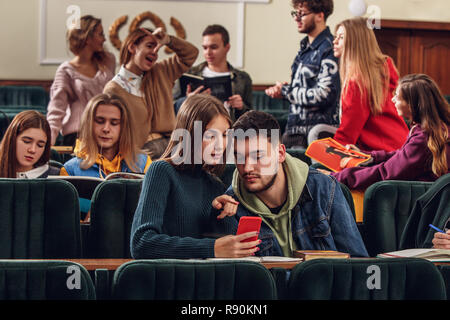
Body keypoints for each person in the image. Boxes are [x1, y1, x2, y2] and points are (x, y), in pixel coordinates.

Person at [213, 110, 368, 257]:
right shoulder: (230, 207)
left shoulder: (324, 188)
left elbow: (357, 263)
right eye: (239, 157)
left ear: (280, 154)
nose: (247, 168)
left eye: (258, 156)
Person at [130, 94, 260, 259]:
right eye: (210, 136)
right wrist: (211, 248)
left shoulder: (216, 184)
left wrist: (220, 215)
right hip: (169, 279)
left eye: (225, 135)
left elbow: (227, 251)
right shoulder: (161, 171)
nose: (220, 144)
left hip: (204, 280)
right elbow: (141, 243)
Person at [330, 74, 450, 190]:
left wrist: (336, 177)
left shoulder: (423, 138)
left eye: (397, 97)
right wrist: (368, 156)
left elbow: (385, 172)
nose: (392, 100)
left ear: (413, 105)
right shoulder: (436, 128)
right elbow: (400, 156)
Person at [104, 27, 198, 160]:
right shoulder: (113, 89)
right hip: (141, 154)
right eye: (149, 46)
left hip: (172, 146)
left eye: (157, 49)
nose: (155, 52)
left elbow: (191, 54)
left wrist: (169, 40)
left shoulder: (161, 72)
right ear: (132, 47)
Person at [324, 17, 409, 152]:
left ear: (355, 42)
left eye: (340, 37)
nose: (334, 41)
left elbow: (347, 134)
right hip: (400, 147)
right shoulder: (372, 75)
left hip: (385, 154)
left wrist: (328, 157)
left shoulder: (358, 82)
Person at [265, 0, 340, 149]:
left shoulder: (330, 48)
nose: (296, 19)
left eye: (302, 14)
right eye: (295, 14)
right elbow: (303, 88)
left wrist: (286, 92)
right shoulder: (304, 48)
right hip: (294, 130)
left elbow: (325, 94)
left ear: (319, 16)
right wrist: (285, 89)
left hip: (316, 134)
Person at [47, 15, 116, 147]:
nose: (104, 39)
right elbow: (56, 109)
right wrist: (47, 143)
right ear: (87, 38)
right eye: (100, 34)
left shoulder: (108, 60)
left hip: (107, 129)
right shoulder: (66, 70)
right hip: (78, 133)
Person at [173, 24, 253, 122]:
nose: (208, 52)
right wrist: (188, 101)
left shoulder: (242, 78)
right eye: (205, 48)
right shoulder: (189, 74)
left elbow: (252, 117)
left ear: (227, 48)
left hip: (231, 132)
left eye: (213, 47)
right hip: (197, 131)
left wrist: (241, 107)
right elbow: (172, 108)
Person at [61, 93, 151, 177]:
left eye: (114, 123)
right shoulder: (70, 170)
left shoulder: (144, 164)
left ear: (124, 127)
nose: (106, 129)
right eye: (100, 121)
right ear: (89, 125)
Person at [0, 110, 59, 178]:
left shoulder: (57, 176)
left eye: (40, 145)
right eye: (26, 141)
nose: (32, 150)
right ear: (12, 139)